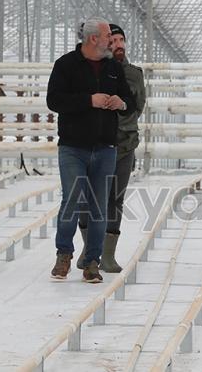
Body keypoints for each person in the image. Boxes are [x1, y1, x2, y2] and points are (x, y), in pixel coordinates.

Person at [46, 17, 135, 283]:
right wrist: (89, 100)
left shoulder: (113, 69)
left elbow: (129, 100)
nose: (113, 39)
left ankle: (92, 261)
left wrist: (121, 103)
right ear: (93, 38)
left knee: (99, 206)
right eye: (109, 35)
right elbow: (54, 100)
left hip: (105, 147)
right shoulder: (66, 65)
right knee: (72, 200)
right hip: (73, 147)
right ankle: (64, 254)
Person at [77, 23, 146, 273]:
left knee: (114, 199)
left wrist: (118, 114)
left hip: (124, 145)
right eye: (113, 40)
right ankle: (88, 249)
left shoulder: (134, 74)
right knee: (86, 197)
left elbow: (138, 106)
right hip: (94, 144)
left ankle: (107, 254)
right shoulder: (96, 69)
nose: (118, 45)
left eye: (121, 41)